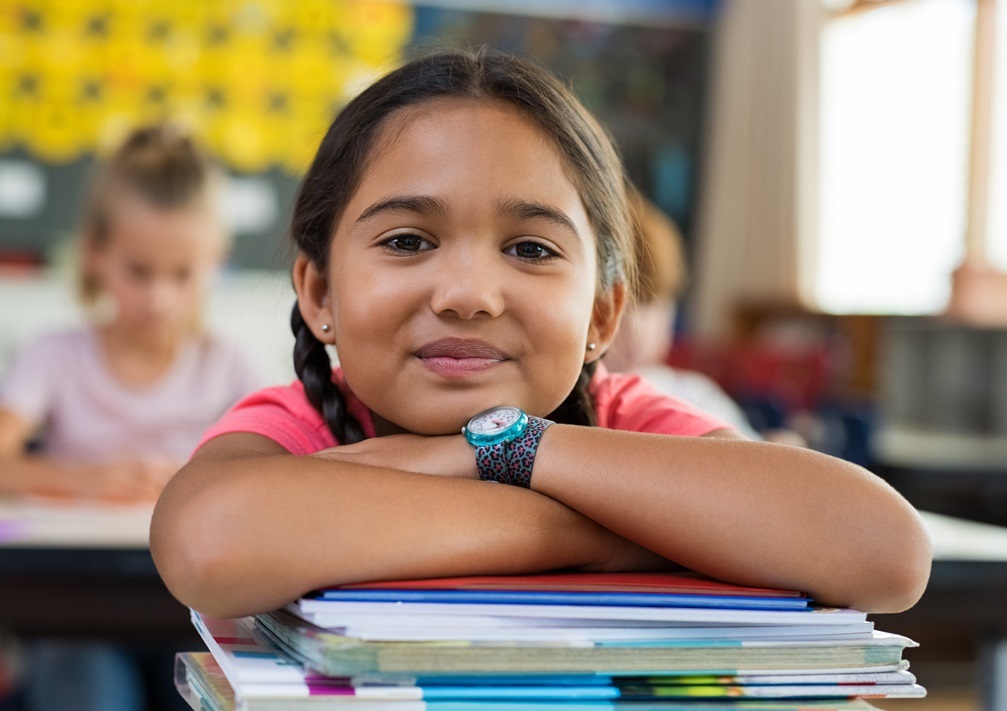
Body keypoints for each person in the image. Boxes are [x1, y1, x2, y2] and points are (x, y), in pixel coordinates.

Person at [151, 48, 931, 623]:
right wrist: (616, 532)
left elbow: (885, 551)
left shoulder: (626, 417)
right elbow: (210, 541)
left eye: (530, 249)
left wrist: (509, 447)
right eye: (407, 241)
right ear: (319, 291)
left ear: (601, 315)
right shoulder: (300, 427)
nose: (466, 295)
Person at [0, 124, 260, 711]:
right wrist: (85, 481)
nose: (159, 299)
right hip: (75, 609)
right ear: (96, 254)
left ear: (214, 263)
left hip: (194, 607)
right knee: (90, 694)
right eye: (139, 271)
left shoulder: (229, 366)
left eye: (182, 274)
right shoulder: (55, 356)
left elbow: (290, 469)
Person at [605, 190, 796, 443]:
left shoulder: (693, 393)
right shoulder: (579, 405)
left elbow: (755, 454)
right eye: (622, 306)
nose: (636, 326)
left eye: (650, 303)